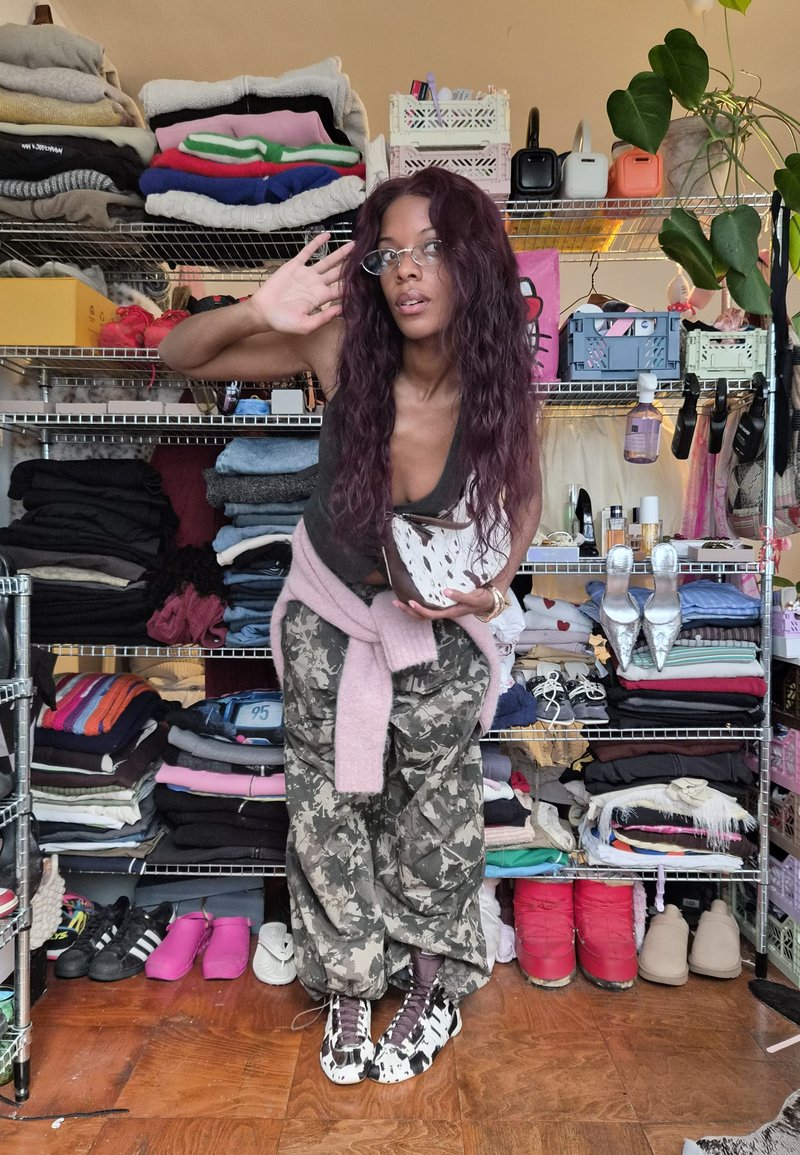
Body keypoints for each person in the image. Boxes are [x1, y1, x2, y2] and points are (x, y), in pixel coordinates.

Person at [160, 167, 542, 1086]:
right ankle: (345, 980)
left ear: (473, 264)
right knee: (328, 811)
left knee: (438, 810)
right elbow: (180, 354)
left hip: (437, 627)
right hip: (330, 610)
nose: (408, 272)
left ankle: (430, 976)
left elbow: (522, 498)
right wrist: (260, 308)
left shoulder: (499, 385)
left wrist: (486, 586)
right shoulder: (340, 348)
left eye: (433, 250)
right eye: (391, 254)